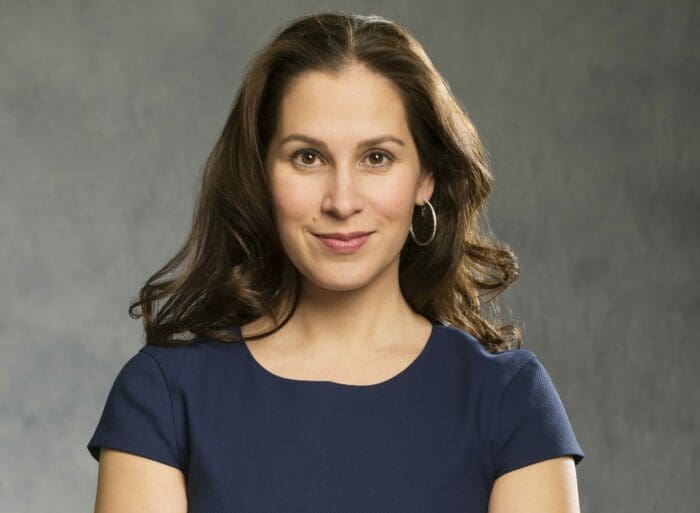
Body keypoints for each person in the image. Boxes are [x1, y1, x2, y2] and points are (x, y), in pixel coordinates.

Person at [86, 11, 585, 513]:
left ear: (426, 178)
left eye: (377, 158)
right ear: (261, 174)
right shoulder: (163, 396)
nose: (342, 201)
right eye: (308, 157)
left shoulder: (510, 401)